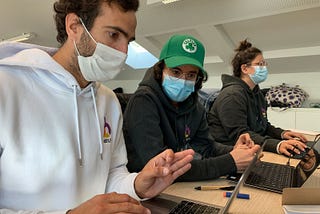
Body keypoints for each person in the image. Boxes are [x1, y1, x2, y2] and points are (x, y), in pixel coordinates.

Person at [0, 1, 195, 213]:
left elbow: (112, 173)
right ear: (74, 26)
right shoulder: (7, 87)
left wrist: (137, 185)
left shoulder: (108, 100)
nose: (123, 52)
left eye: (128, 41)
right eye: (113, 35)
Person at [123, 34, 260, 181]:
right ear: (160, 69)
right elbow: (161, 167)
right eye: (175, 72)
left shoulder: (194, 106)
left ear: (198, 78)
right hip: (141, 187)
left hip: (173, 184)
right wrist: (231, 162)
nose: (183, 80)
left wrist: (237, 151)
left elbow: (207, 146)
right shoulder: (143, 101)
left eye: (191, 75)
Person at [207, 39, 308, 157]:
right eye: (260, 64)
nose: (264, 67)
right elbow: (241, 135)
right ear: (244, 69)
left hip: (253, 145)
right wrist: (277, 145)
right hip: (230, 153)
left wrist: (282, 134)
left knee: (306, 154)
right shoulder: (232, 96)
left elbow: (263, 126)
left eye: (264, 64)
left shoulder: (257, 93)